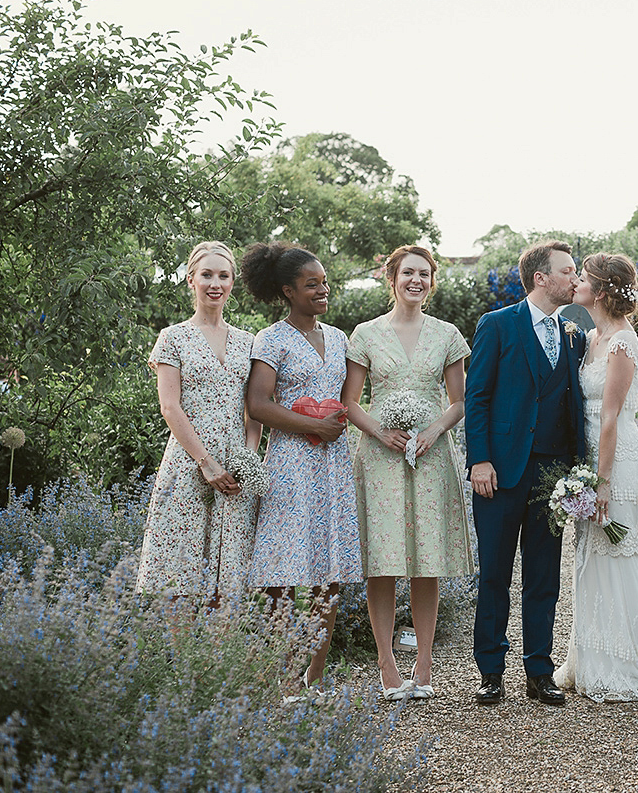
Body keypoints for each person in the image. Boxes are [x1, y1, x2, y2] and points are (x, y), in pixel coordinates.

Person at [341, 245, 473, 701]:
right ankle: (386, 662)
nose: (416, 280)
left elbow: (459, 401)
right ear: (391, 277)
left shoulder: (448, 334)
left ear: (431, 282)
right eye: (408, 273)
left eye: (425, 274)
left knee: (426, 561)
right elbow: (350, 401)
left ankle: (424, 663)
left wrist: (434, 431)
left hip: (431, 455)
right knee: (383, 562)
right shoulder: (365, 334)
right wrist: (381, 432)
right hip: (380, 458)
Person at [465, 239, 587, 706]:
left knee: (544, 577)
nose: (576, 279)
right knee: (495, 574)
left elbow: (573, 402)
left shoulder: (574, 330)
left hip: (554, 475)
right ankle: (490, 671)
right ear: (542, 278)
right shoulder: (497, 325)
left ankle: (540, 671)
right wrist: (479, 459)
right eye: (569, 271)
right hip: (498, 471)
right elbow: (477, 397)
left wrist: (578, 470)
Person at [241, 241, 363, 690]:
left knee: (328, 573)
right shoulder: (270, 339)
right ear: (288, 291)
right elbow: (257, 405)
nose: (322, 290)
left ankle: (314, 676)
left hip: (332, 467)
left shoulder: (339, 338)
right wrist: (310, 422)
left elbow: (349, 400)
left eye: (325, 282)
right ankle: (284, 677)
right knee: (284, 572)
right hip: (291, 465)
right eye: (312, 284)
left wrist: (339, 421)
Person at [553, 253, 638, 702]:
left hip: (620, 464)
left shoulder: (622, 342)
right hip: (593, 460)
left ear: (599, 290)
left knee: (619, 557)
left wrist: (601, 481)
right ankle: (589, 660)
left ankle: (622, 668)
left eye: (582, 278)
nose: (575, 282)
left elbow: (612, 417)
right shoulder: (592, 336)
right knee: (591, 559)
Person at [138, 241, 260, 602]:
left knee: (230, 570)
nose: (215, 283)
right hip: (190, 462)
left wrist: (246, 461)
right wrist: (206, 463)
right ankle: (185, 659)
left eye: (223, 276)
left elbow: (254, 407)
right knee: (181, 569)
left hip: (234, 469)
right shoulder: (172, 338)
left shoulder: (247, 342)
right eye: (206, 275)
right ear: (191, 280)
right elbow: (170, 407)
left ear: (232, 282)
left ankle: (220, 657)